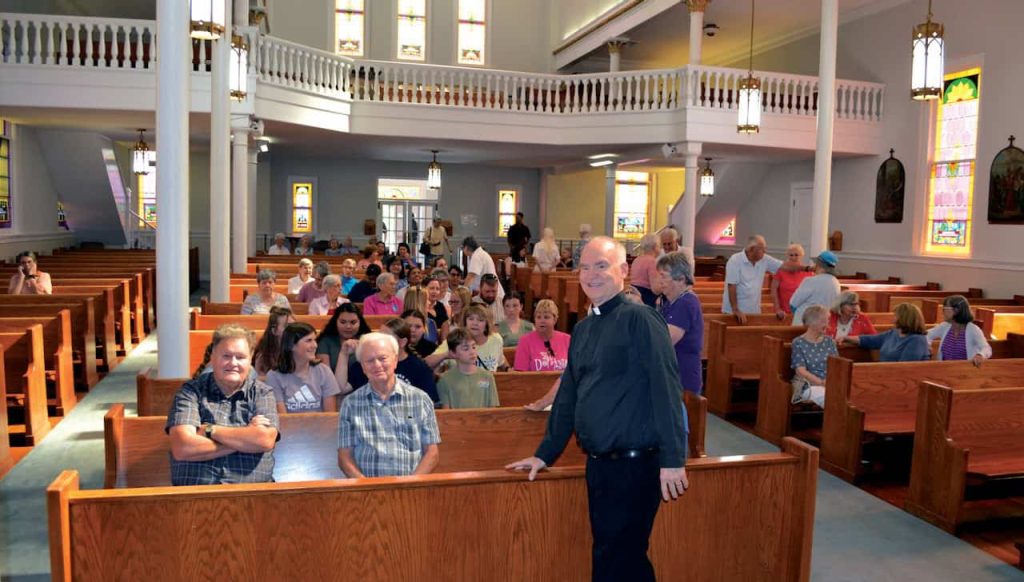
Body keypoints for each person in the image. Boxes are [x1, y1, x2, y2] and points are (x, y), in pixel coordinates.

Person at [506, 237, 689, 582]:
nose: (591, 275)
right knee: (608, 553)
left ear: (623, 271)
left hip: (635, 465)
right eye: (585, 267)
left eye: (601, 266)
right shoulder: (586, 328)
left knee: (623, 557)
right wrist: (545, 453)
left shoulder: (642, 319)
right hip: (600, 465)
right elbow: (569, 396)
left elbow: (667, 389)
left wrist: (673, 459)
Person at [166, 324, 280, 486]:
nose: (233, 363)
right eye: (226, 356)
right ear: (212, 357)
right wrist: (246, 437)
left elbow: (264, 441)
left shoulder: (262, 393)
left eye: (240, 357)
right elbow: (183, 447)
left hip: (252, 496)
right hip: (196, 498)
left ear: (250, 360)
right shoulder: (190, 392)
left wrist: (209, 430)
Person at [337, 333, 441, 478]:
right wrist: (368, 488)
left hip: (411, 490)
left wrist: (411, 484)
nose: (377, 365)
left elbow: (432, 452)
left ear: (395, 360)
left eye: (382, 358)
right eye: (370, 360)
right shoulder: (351, 404)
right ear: (363, 367)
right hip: (368, 491)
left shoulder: (420, 400)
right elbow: (344, 457)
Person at [341, 318, 439, 403]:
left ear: (402, 342)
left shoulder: (420, 369)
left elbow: (429, 402)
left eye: (385, 338)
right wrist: (344, 354)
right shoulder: (366, 363)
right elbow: (342, 388)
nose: (379, 341)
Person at [266, 322, 342, 413]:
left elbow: (330, 416)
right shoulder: (273, 376)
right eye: (309, 340)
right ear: (292, 345)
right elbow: (282, 418)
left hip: (320, 426)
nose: (315, 345)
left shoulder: (324, 371)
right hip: (288, 426)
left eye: (315, 340)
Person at [656, 251, 704, 394]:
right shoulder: (672, 302)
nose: (660, 282)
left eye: (664, 277)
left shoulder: (686, 303)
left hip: (682, 377)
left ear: (681, 279)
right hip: (671, 374)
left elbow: (664, 342)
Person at [427, 304, 507, 373]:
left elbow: (501, 362)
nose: (475, 323)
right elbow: (426, 364)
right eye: (471, 319)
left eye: (480, 320)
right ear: (465, 323)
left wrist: (508, 369)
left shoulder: (496, 339)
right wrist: (446, 355)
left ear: (487, 325)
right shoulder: (455, 340)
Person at [722, 235, 782, 323]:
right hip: (734, 313)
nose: (765, 251)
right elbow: (732, 286)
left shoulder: (764, 259)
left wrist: (805, 269)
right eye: (761, 249)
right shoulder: (735, 260)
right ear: (751, 249)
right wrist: (735, 309)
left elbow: (783, 267)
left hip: (754, 311)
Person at [844, 303, 931, 362]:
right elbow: (871, 340)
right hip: (885, 374)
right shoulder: (894, 333)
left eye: (895, 316)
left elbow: (905, 367)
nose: (893, 319)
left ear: (905, 319)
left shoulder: (917, 341)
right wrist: (845, 338)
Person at [437, 328, 500, 409]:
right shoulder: (445, 380)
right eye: (466, 349)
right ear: (453, 353)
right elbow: (446, 414)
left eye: (473, 347)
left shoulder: (488, 376)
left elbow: (492, 410)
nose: (472, 352)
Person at [790, 305, 837, 408]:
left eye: (828, 321)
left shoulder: (829, 342)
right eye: (824, 321)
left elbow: (838, 366)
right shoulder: (798, 343)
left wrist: (832, 383)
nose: (828, 325)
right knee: (832, 399)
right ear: (812, 323)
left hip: (831, 384)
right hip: (808, 385)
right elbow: (800, 371)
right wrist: (821, 382)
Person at [927, 295, 992, 365]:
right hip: (944, 369)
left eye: (945, 308)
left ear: (956, 310)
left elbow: (986, 348)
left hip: (964, 372)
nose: (942, 312)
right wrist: (927, 345)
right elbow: (926, 334)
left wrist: (980, 355)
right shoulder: (945, 326)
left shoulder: (973, 329)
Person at [513, 299, 570, 372]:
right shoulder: (525, 341)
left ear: (555, 320)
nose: (542, 321)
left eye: (546, 317)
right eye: (538, 317)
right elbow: (520, 374)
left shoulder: (567, 340)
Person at [789, 251, 842, 325]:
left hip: (805, 324)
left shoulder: (810, 281)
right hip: (824, 323)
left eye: (815, 264)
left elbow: (793, 303)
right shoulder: (836, 283)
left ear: (819, 266)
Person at [317, 302, 372, 371]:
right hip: (333, 381)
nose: (348, 326)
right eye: (343, 322)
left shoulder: (367, 340)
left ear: (360, 322)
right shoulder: (325, 342)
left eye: (353, 322)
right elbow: (326, 375)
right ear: (335, 322)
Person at [771, 244, 813, 318]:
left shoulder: (808, 273)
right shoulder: (780, 271)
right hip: (783, 313)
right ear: (787, 256)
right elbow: (773, 290)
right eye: (791, 255)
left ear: (802, 256)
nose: (793, 257)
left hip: (802, 313)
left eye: (796, 255)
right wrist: (777, 309)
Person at [252, 307, 296, 377]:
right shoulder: (263, 357)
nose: (293, 330)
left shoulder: (299, 350)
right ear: (274, 331)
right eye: (287, 326)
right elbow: (260, 383)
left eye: (294, 325)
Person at [629, 234, 660, 307]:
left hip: (634, 296)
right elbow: (655, 290)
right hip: (646, 300)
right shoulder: (652, 262)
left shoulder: (636, 260)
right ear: (655, 247)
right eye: (659, 246)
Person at [422, 275, 451, 342]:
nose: (434, 291)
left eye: (437, 289)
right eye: (431, 288)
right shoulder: (419, 306)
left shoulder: (440, 306)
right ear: (424, 289)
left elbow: (446, 325)